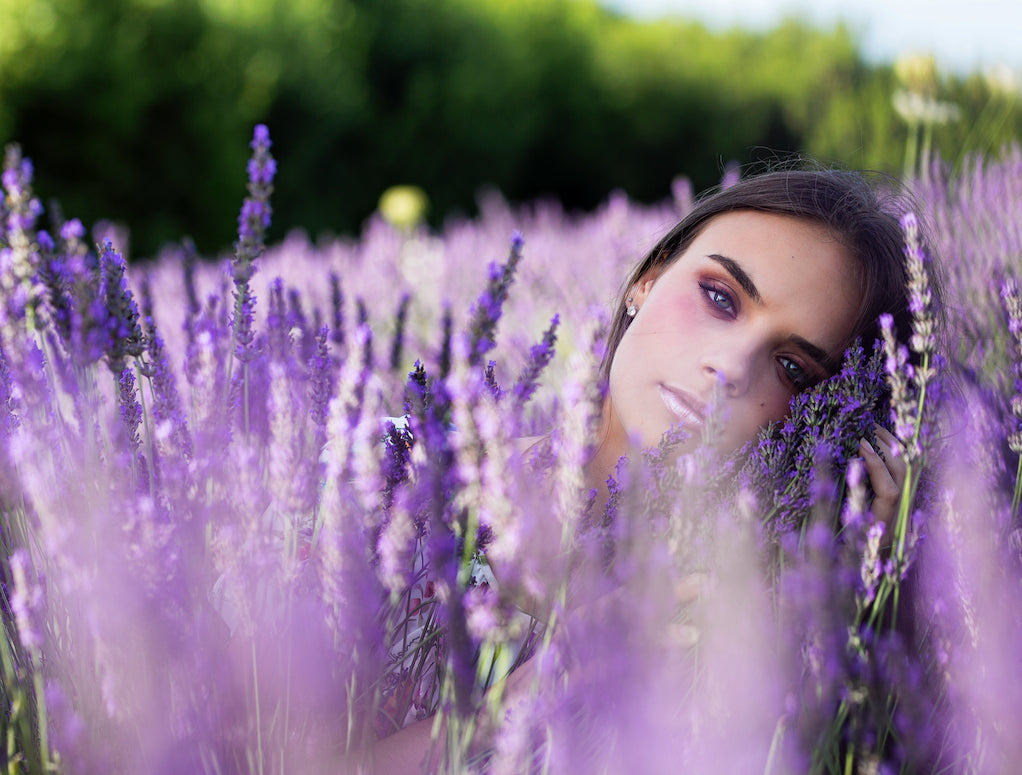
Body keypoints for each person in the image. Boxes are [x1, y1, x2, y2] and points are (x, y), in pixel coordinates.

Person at [370, 166, 940, 772]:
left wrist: (865, 605)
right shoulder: (392, 480)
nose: (730, 367)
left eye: (794, 368)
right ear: (647, 278)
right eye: (721, 297)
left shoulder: (756, 630)